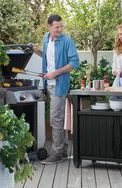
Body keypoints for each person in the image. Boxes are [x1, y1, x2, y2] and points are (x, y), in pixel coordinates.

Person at [41, 14, 79, 164]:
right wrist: (36, 50)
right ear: (49, 27)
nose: (60, 29)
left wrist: (54, 73)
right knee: (58, 118)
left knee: (55, 118)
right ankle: (62, 150)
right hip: (48, 84)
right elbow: (47, 56)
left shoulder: (67, 41)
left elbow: (74, 63)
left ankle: (57, 152)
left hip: (60, 84)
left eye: (61, 26)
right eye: (56, 27)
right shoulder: (46, 38)